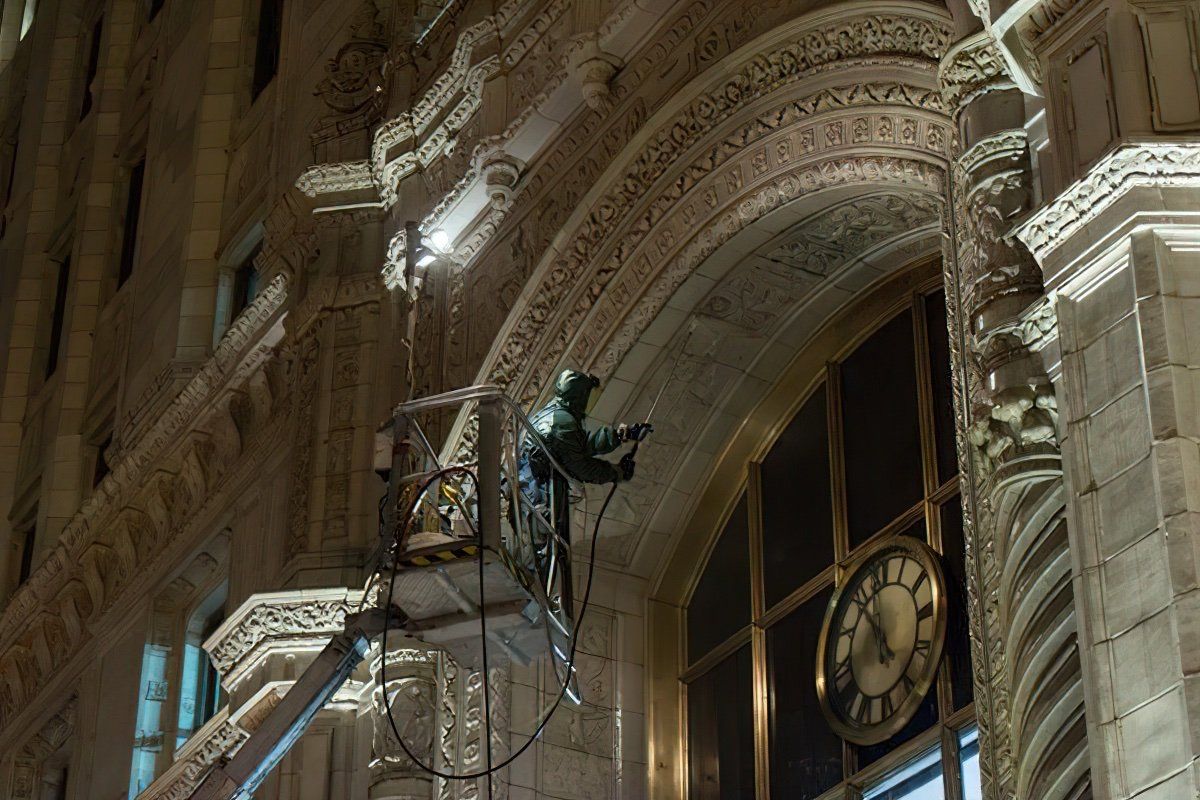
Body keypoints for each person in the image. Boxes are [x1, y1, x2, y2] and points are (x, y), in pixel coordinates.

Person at [517, 369, 650, 616]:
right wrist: (617, 473)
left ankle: (533, 600)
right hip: (542, 494)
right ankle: (531, 605)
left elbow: (578, 445)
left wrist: (621, 435)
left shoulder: (551, 415)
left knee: (539, 549)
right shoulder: (563, 421)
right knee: (543, 551)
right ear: (578, 395)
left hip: (532, 491)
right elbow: (581, 465)